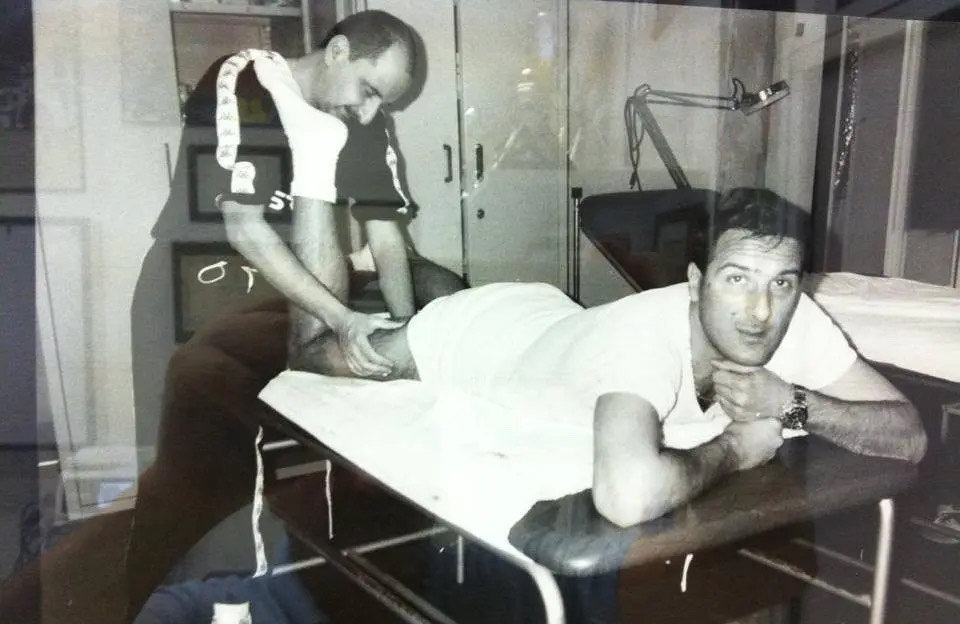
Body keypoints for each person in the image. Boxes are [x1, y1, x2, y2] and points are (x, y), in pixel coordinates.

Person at [122, 10, 467, 624]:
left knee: (272, 461)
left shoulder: (363, 120)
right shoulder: (247, 81)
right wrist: (342, 318)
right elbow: (243, 227)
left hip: (289, 293)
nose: (370, 110)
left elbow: (386, 237)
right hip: (200, 280)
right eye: (368, 89)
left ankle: (239, 614)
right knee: (190, 466)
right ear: (336, 51)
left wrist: (403, 334)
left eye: (383, 101)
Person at [291, 186, 928, 527]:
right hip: (478, 339)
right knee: (311, 354)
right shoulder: (642, 340)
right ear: (693, 282)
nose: (760, 312)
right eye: (736, 279)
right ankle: (321, 189)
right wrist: (737, 447)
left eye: (781, 283)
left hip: (551, 318)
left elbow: (909, 435)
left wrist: (794, 403)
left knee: (447, 292)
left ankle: (403, 264)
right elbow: (625, 497)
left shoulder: (793, 314)